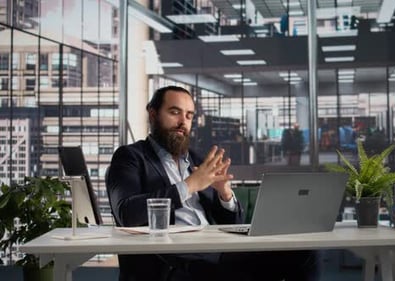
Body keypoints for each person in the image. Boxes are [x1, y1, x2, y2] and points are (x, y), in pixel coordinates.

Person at [106, 86, 319, 281]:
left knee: (305, 251)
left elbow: (234, 223)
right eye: (175, 112)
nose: (183, 122)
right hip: (175, 262)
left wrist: (225, 195)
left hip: (218, 252)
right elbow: (127, 213)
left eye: (189, 115)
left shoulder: (198, 160)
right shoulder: (130, 157)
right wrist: (189, 185)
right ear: (153, 114)